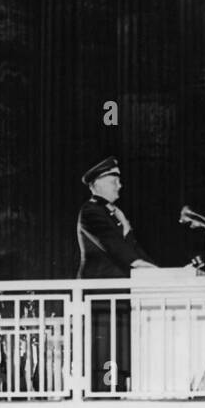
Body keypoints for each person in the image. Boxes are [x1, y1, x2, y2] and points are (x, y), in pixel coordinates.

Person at [76, 156, 157, 392]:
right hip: (101, 294)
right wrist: (140, 264)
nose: (119, 186)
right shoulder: (91, 211)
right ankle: (103, 398)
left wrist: (160, 272)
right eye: (114, 180)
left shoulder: (114, 214)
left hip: (119, 294)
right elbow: (117, 248)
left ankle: (116, 393)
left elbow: (133, 249)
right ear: (98, 183)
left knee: (119, 348)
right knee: (105, 351)